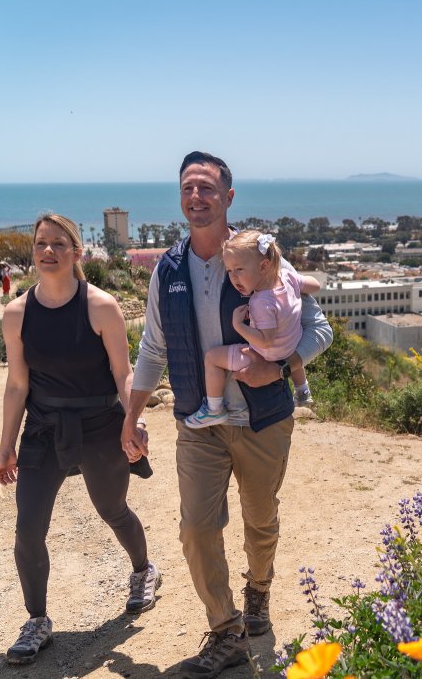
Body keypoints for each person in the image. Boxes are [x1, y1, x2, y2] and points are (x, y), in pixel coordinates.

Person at [121, 151, 332, 678]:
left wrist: (282, 366)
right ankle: (226, 631)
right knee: (196, 528)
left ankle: (258, 589)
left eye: (208, 189)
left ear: (228, 198)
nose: (197, 198)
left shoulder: (263, 261)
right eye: (188, 188)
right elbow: (152, 348)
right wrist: (132, 415)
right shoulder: (167, 270)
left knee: (260, 520)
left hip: (263, 420)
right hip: (199, 421)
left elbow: (319, 330)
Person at [0, 213, 160, 666]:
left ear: (76, 253)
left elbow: (124, 375)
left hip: (98, 425)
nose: (48, 252)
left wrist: (134, 421)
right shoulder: (16, 313)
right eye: (41, 244)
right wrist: (6, 445)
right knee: (28, 526)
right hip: (44, 428)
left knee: (112, 510)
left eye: (58, 245)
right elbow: (16, 385)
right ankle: (37, 620)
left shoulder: (101, 306)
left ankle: (144, 570)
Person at [184, 230, 321, 429]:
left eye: (239, 269)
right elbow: (315, 285)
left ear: (264, 266)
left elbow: (265, 340)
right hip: (292, 347)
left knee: (212, 358)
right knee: (294, 354)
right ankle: (302, 391)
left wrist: (238, 326)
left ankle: (214, 409)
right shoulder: (288, 277)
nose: (233, 277)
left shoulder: (260, 301)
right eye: (229, 271)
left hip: (267, 356)